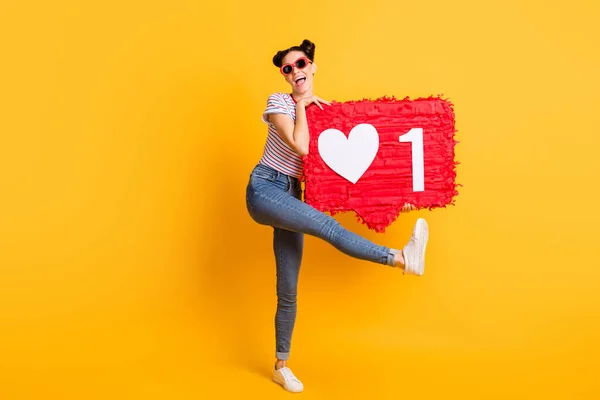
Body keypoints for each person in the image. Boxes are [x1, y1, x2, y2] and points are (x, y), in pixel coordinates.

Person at [245, 39, 429, 393]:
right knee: (328, 228)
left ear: (313, 66)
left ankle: (281, 365)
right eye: (288, 68)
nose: (295, 71)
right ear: (284, 77)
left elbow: (350, 176)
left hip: (291, 194)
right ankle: (400, 258)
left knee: (288, 287)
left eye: (301, 64)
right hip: (265, 190)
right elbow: (300, 146)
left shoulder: (326, 114)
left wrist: (393, 198)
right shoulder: (280, 102)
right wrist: (301, 104)